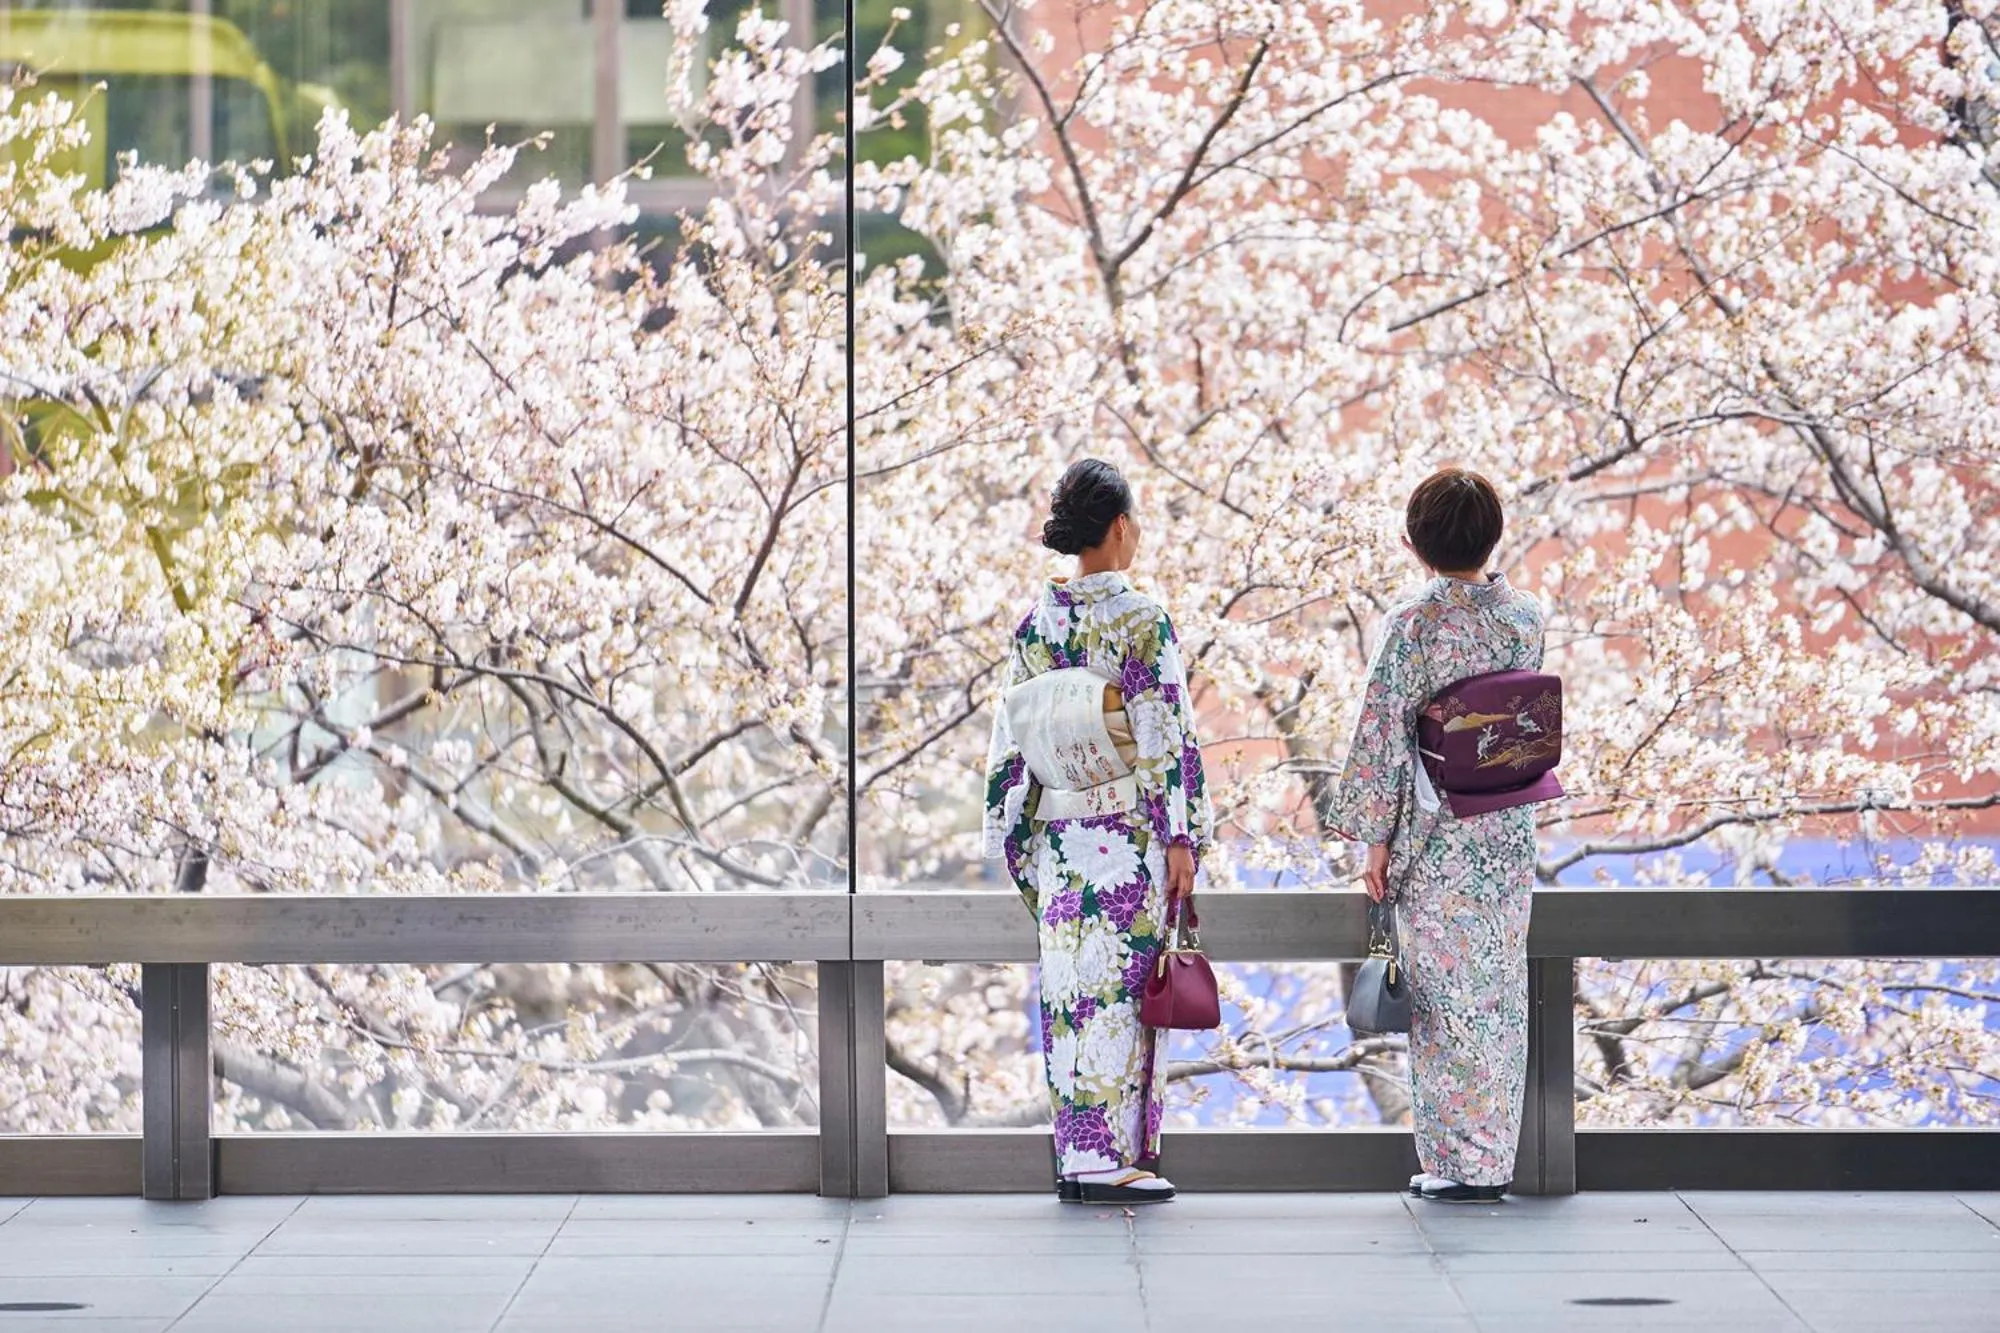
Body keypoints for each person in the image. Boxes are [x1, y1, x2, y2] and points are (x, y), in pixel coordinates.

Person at [983, 458, 1214, 1206]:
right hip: (1126, 843)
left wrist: (1020, 844)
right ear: (1120, 527)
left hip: (1059, 842)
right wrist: (1181, 837)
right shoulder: (1142, 620)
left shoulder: (1036, 624)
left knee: (1070, 997)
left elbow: (1012, 748)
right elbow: (1165, 733)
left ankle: (1081, 1157)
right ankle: (1116, 1158)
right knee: (1123, 994)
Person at [1328, 467, 1545, 1205]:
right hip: (1507, 828)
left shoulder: (1416, 624)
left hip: (1440, 828)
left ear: (1413, 544)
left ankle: (1458, 1163)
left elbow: (1385, 729)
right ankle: (1491, 1159)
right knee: (1498, 994)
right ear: (1495, 535)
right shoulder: (1525, 617)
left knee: (1446, 998)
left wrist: (1374, 838)